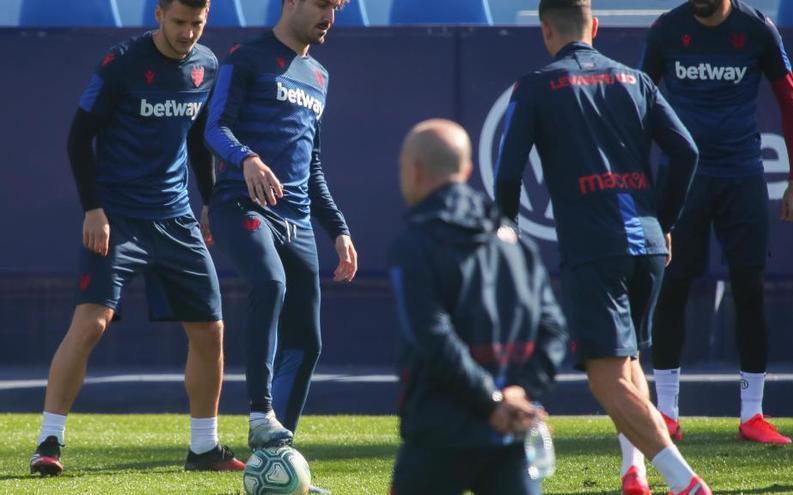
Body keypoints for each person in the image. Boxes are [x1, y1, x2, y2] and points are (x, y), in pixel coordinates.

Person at [494, 1, 711, 494]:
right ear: (594, 26)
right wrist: (665, 219)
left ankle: (685, 483)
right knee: (629, 362)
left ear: (546, 30)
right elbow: (687, 152)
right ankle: (632, 472)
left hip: (595, 246)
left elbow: (509, 172)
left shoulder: (536, 85)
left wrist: (507, 235)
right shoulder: (636, 80)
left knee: (604, 376)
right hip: (649, 245)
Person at [29, 0, 245, 476]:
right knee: (91, 325)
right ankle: (48, 442)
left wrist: (207, 200)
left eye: (198, 23)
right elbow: (78, 137)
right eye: (179, 22)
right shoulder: (121, 62)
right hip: (117, 217)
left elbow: (195, 139)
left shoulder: (208, 65)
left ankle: (203, 449)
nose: (188, 32)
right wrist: (93, 208)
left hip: (175, 218)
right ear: (158, 15)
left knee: (211, 330)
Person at [641, 0, 793, 445]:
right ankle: (666, 414)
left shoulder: (758, 30)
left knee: (749, 289)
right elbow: (640, 108)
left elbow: (790, 101)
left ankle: (752, 415)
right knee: (672, 287)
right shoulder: (666, 30)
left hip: (742, 177)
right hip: (683, 182)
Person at [204, 0, 357, 459]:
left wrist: (339, 230)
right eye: (321, 3)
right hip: (241, 204)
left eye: (336, 6)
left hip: (298, 220)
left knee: (308, 342)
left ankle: (274, 453)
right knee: (270, 283)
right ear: (290, 2)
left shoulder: (320, 77)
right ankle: (259, 412)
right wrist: (247, 158)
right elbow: (214, 128)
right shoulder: (245, 58)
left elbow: (312, 167)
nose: (329, 15)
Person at [388, 119, 568, 495]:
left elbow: (431, 336)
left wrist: (491, 402)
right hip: (510, 431)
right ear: (466, 170)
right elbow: (554, 329)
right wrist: (519, 393)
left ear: (414, 169)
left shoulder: (416, 241)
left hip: (440, 432)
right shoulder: (512, 241)